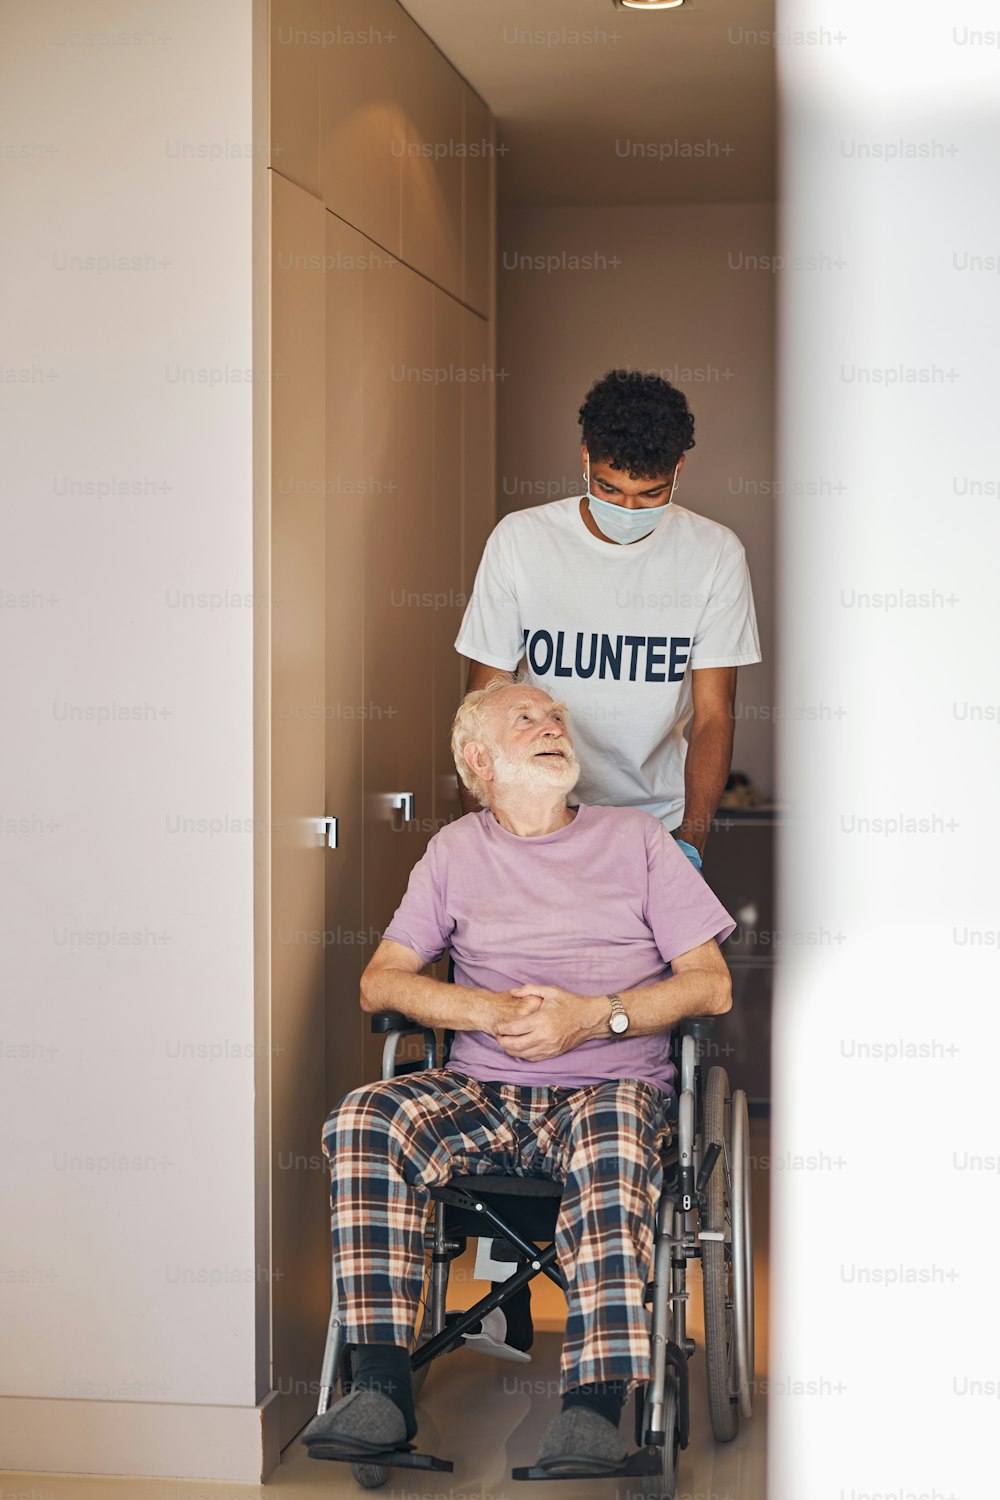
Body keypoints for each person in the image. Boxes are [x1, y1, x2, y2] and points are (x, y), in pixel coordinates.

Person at [303, 680, 735, 1475]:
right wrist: (489, 1011)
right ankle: (380, 1390)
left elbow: (710, 984)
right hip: (480, 1090)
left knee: (614, 1134)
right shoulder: (455, 851)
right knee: (366, 1115)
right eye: (526, 718)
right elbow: (382, 982)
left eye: (558, 717)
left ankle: (594, 1406)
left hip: (608, 1093)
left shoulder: (638, 841)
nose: (553, 725)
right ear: (479, 759)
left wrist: (593, 1015)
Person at [455, 367, 762, 870]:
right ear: (585, 460)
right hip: (531, 817)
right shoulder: (521, 541)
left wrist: (691, 843)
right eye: (610, 488)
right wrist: (480, 837)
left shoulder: (715, 554)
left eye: (651, 493)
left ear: (679, 469)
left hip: (654, 823)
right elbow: (480, 711)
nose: (629, 507)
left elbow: (713, 716)